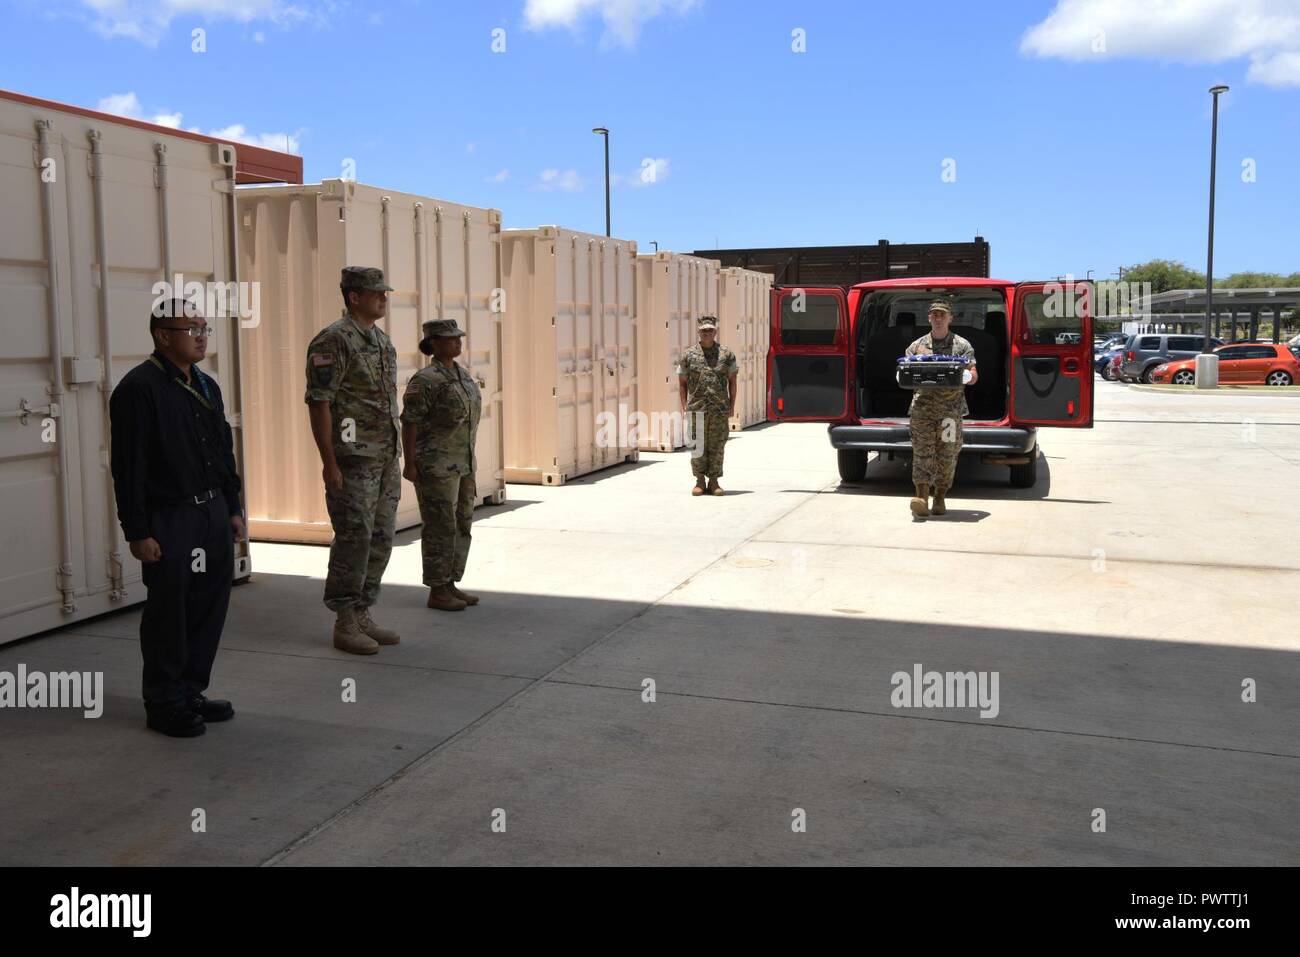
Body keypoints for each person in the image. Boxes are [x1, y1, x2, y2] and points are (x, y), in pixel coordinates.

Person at [109, 299, 244, 737]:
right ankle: (164, 702)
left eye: (204, 327)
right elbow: (129, 467)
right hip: (171, 518)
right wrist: (138, 531)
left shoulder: (206, 384)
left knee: (208, 605)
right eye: (192, 328)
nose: (202, 336)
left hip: (212, 512)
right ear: (163, 336)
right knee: (170, 612)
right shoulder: (138, 389)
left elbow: (222, 450)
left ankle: (190, 691)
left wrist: (233, 507)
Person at [305, 266, 403, 654]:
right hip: (352, 459)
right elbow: (319, 403)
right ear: (353, 297)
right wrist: (329, 461)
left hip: (384, 456)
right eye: (375, 292)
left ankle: (363, 612)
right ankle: (344, 620)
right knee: (354, 537)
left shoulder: (381, 341)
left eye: (384, 292)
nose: (383, 298)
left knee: (381, 536)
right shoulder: (333, 340)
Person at [401, 319, 482, 611]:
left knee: (462, 524)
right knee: (440, 527)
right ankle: (437, 590)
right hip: (436, 466)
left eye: (458, 337)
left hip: (463, 464)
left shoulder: (461, 374)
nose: (457, 342)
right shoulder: (425, 380)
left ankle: (450, 583)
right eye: (450, 338)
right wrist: (410, 463)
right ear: (433, 343)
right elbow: (410, 423)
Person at [904, 298, 978, 518]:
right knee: (922, 453)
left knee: (947, 454)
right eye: (934, 314)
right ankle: (921, 498)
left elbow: (974, 374)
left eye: (942, 314)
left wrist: (968, 377)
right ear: (929, 318)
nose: (938, 318)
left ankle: (940, 498)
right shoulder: (916, 346)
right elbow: (905, 371)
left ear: (950, 318)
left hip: (949, 412)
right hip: (922, 410)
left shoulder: (962, 346)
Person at [676, 315, 738, 496]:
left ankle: (714, 481)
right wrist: (684, 405)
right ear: (698, 332)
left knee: (717, 445)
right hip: (697, 408)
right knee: (697, 445)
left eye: (710, 330)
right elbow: (682, 383)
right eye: (704, 330)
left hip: (719, 408)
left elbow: (733, 381)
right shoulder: (688, 355)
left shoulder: (726, 354)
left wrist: (732, 406)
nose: (707, 333)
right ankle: (700, 480)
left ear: (715, 332)